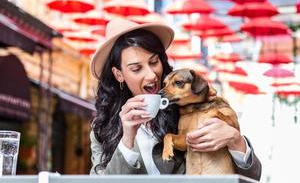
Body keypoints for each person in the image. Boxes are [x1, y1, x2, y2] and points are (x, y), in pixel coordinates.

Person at [89, 18, 262, 180]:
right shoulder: (102, 130)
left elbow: (251, 178)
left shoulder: (188, 105)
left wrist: (235, 141)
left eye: (154, 61)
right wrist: (127, 138)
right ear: (119, 74)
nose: (151, 75)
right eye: (136, 68)